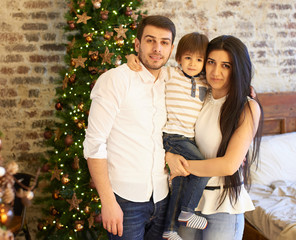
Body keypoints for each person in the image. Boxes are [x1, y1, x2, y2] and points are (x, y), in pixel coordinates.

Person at [83, 15, 176, 240]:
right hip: (125, 201)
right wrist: (108, 202)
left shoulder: (172, 80)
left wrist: (246, 93)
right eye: (150, 40)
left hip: (163, 197)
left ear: (171, 48)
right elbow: (94, 144)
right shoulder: (115, 80)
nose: (157, 49)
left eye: (164, 42)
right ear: (137, 44)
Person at [167, 35, 263, 240]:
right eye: (211, 62)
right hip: (189, 203)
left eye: (226, 65)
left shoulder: (247, 107)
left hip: (223, 205)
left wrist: (179, 165)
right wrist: (168, 157)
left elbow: (228, 166)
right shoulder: (200, 94)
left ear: (237, 69)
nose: (215, 71)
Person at [127, 32, 211, 240]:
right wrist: (131, 57)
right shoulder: (170, 73)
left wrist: (250, 90)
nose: (193, 64)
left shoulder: (205, 82)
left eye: (199, 59)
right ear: (179, 57)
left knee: (180, 182)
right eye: (188, 58)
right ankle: (187, 211)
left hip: (189, 139)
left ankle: (170, 229)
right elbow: (147, 68)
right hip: (173, 136)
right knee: (205, 167)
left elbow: (229, 86)